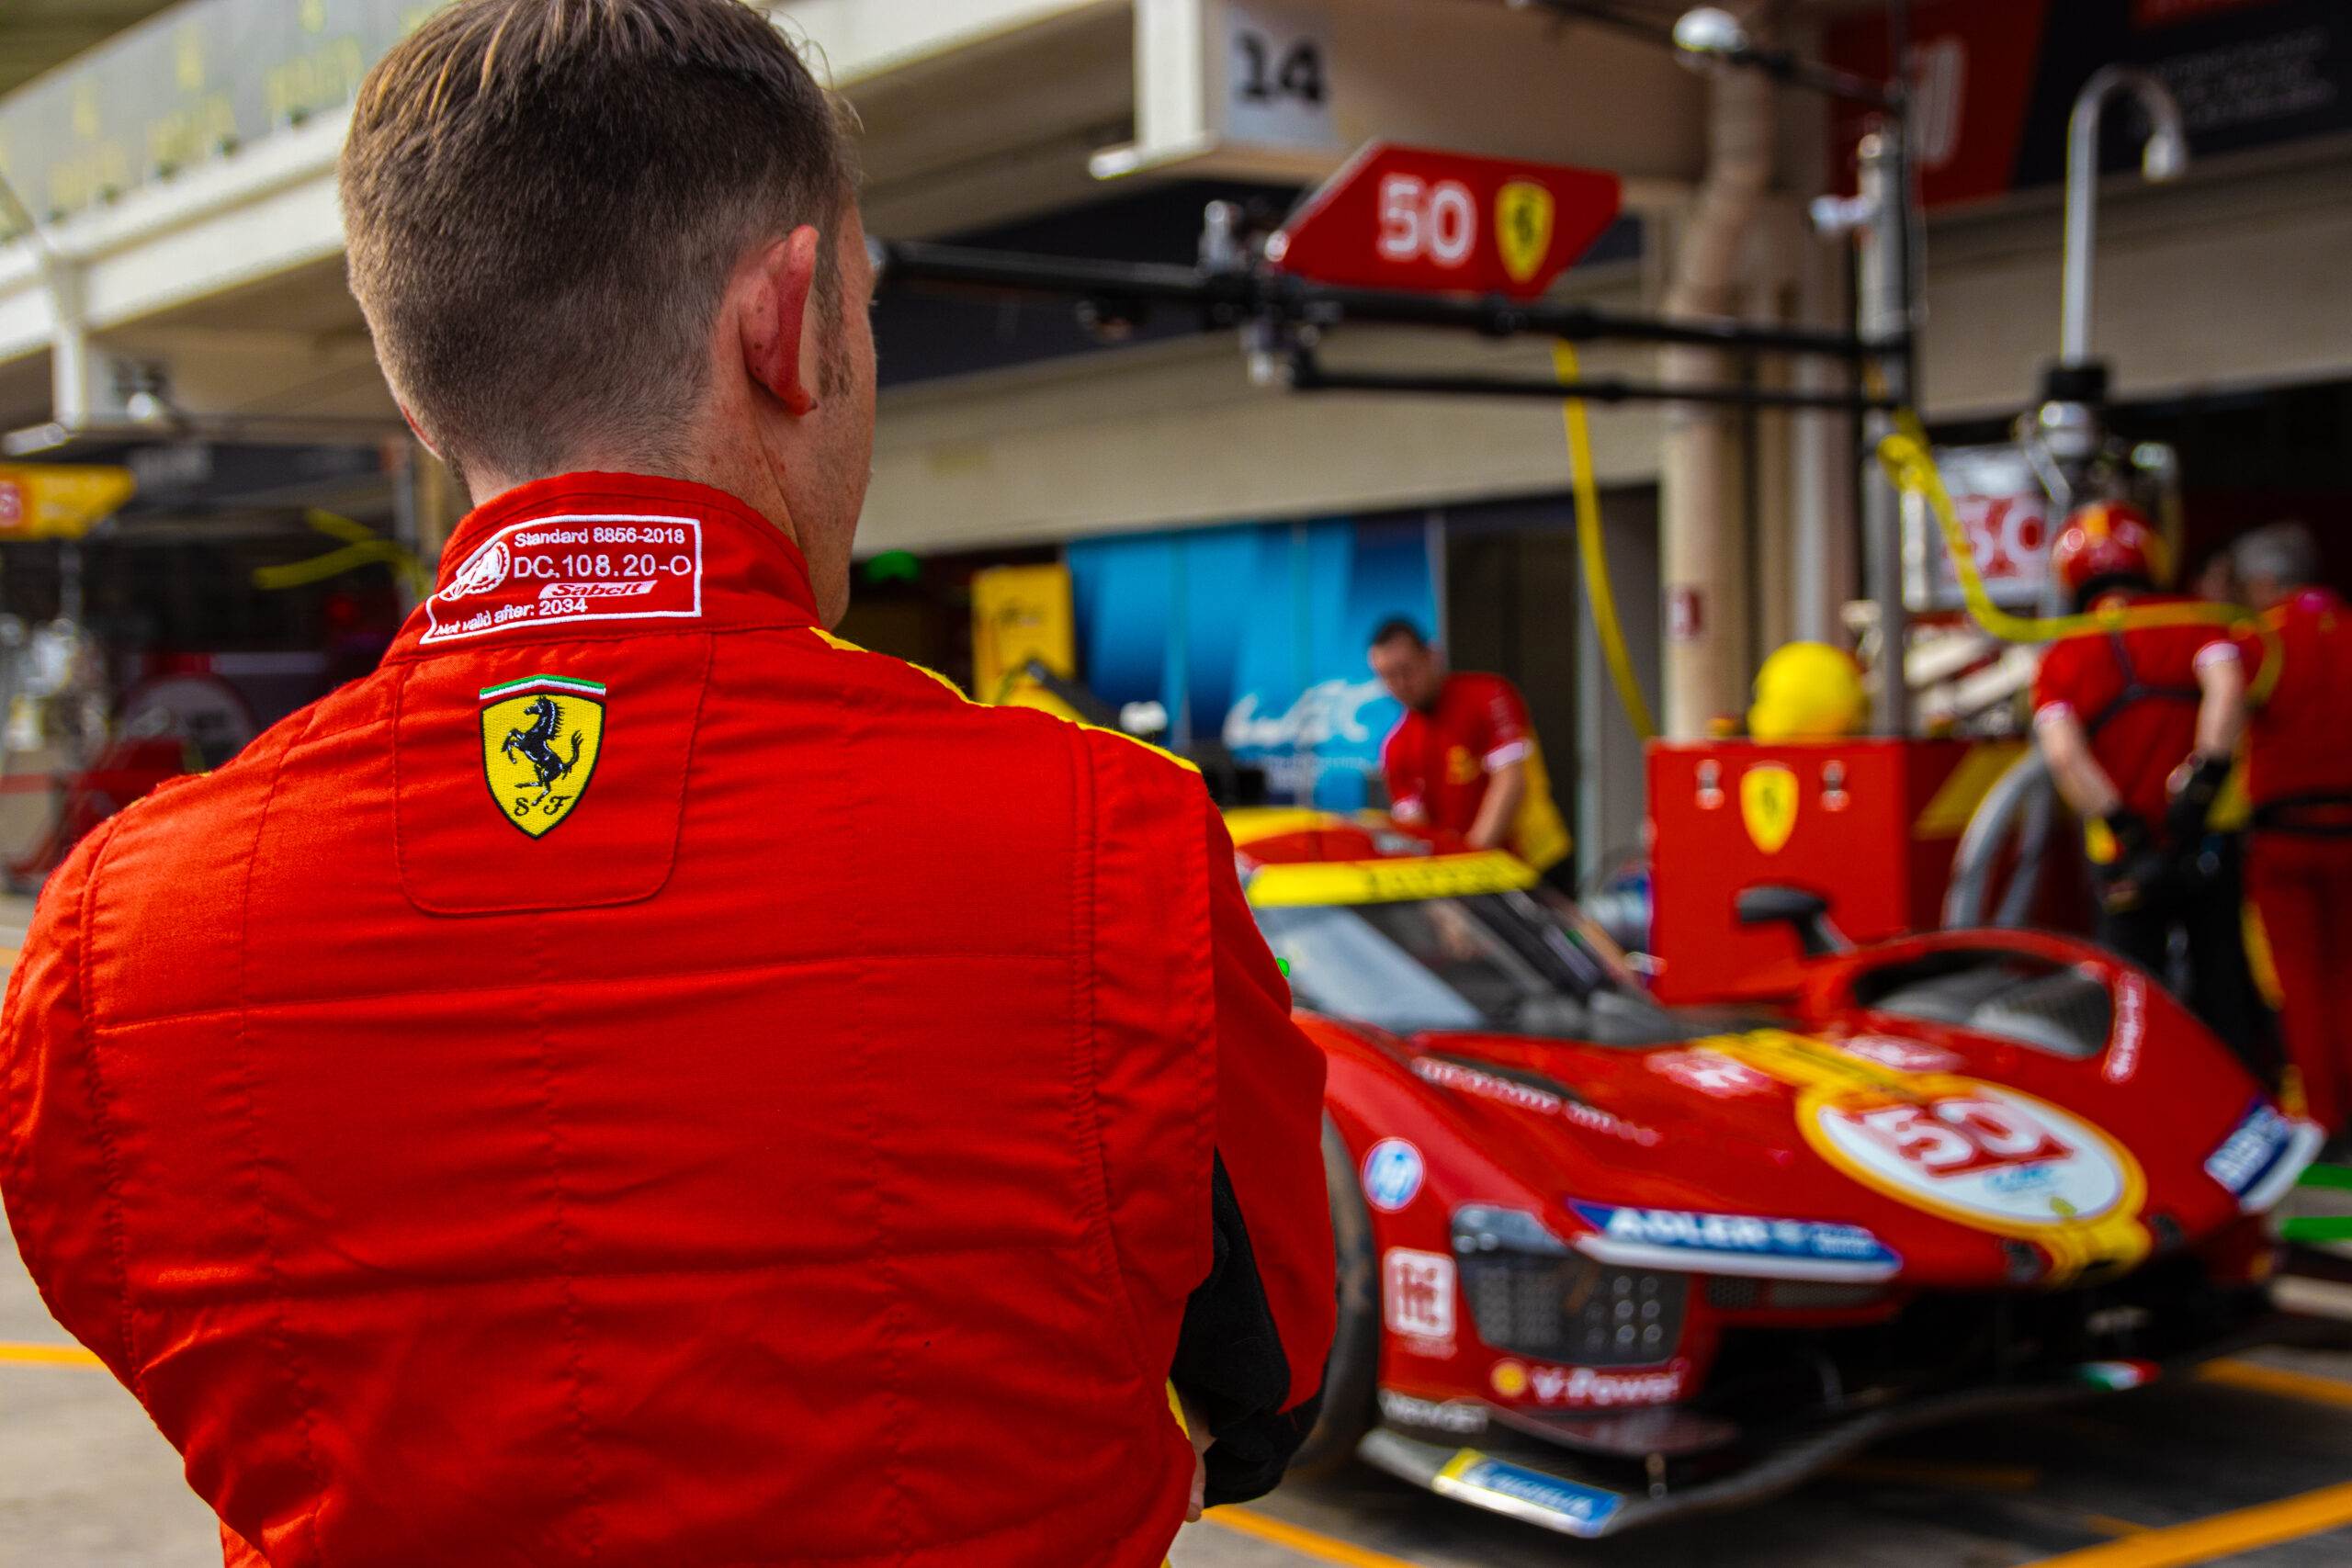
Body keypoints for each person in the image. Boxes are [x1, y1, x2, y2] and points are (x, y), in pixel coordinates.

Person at [0, 5, 1333, 1565]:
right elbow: (1265, 1378)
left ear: (420, 401)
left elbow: (156, 1339)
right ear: (788, 322)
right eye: (864, 316)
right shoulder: (1112, 849)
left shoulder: (114, 936)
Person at [2030, 502, 2265, 1061]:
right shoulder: (2197, 622)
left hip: (2123, 858)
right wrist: (2204, 782)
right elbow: (2227, 690)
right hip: (2208, 842)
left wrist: (2122, 823)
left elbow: (2063, 754)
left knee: (2133, 1005)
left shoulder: (2061, 655)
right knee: (2226, 988)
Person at [2222, 521, 2352, 1132]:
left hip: (2285, 836)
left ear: (2265, 581)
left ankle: (2320, 1118)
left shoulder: (2259, 642)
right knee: (2346, 969)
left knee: (2297, 978)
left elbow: (2224, 719)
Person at [1367, 619, 1572, 876]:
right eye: (1387, 676)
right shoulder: (1395, 746)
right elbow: (1417, 828)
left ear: (1431, 656)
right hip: (1468, 876)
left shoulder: (1489, 695)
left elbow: (1509, 782)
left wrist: (1469, 862)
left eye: (1406, 670)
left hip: (1534, 864)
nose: (1400, 683)